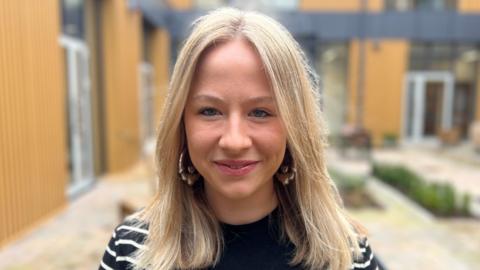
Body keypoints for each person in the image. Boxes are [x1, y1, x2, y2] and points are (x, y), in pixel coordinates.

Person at [99, 8, 379, 270]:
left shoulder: (346, 256)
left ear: (295, 126)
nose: (234, 142)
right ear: (181, 123)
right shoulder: (131, 250)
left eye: (260, 112)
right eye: (209, 111)